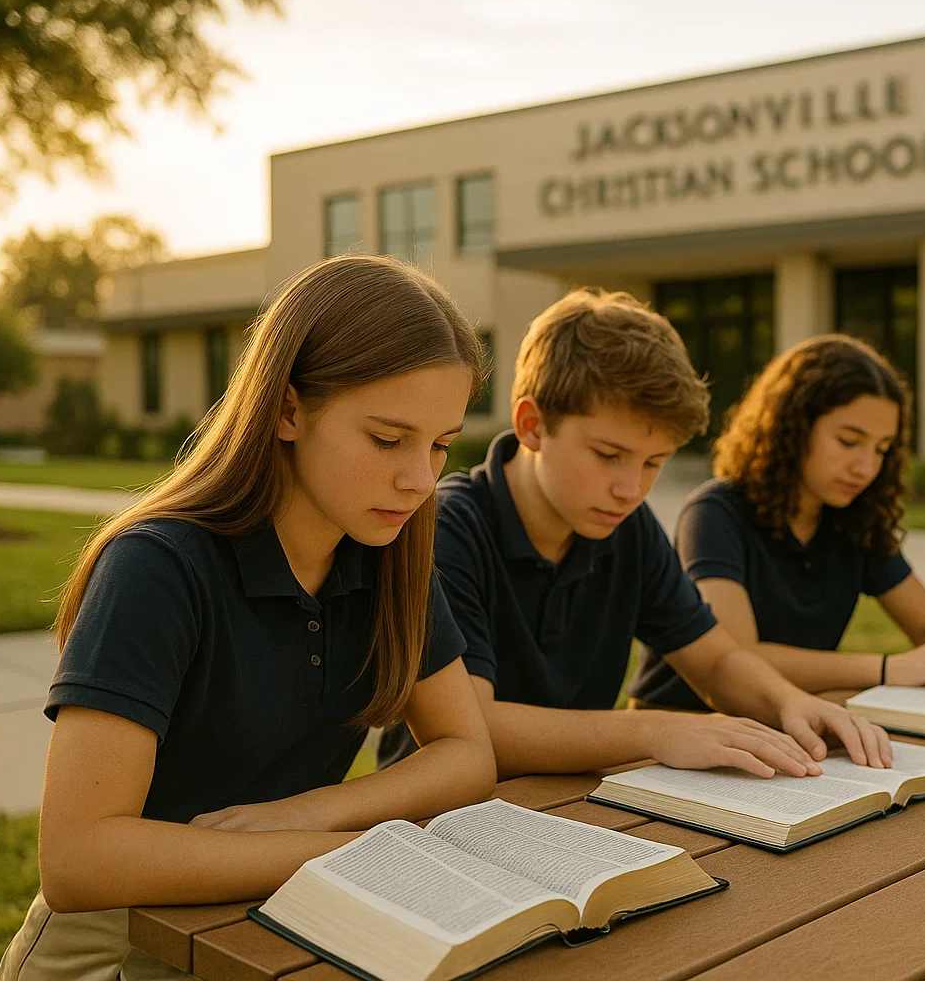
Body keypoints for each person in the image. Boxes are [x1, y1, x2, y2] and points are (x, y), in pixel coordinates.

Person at [0, 256, 498, 981]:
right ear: (288, 410)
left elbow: (466, 750)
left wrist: (315, 811)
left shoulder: (387, 557)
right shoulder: (158, 567)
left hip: (274, 926)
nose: (422, 480)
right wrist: (355, 851)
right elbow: (77, 860)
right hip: (118, 944)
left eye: (441, 444)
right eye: (389, 439)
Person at [378, 289, 893, 782]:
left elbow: (715, 660)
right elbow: (472, 727)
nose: (630, 490)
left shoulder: (625, 525)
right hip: (438, 825)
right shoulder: (448, 528)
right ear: (532, 425)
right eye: (608, 455)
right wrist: (655, 729)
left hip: (573, 804)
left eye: (653, 463)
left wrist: (793, 703)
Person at [628, 335, 925, 711]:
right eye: (849, 441)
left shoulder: (855, 518)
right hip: (685, 727)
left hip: (796, 719)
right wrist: (888, 668)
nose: (866, 467)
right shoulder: (714, 513)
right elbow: (740, 656)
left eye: (882, 449)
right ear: (792, 427)